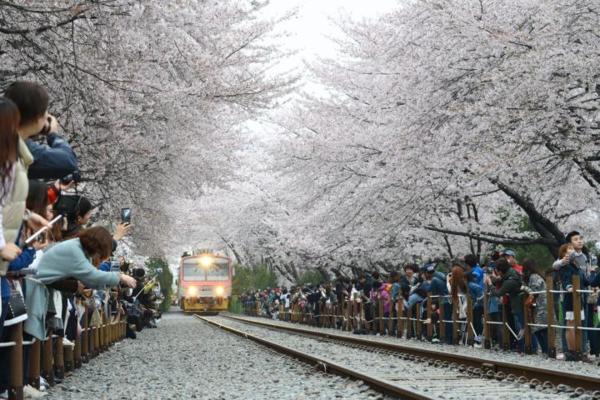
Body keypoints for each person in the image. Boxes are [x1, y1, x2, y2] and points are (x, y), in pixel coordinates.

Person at [24, 227, 136, 340]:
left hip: (39, 287)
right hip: (33, 289)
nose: (99, 257)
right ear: (96, 247)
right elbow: (92, 275)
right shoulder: (75, 251)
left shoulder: (77, 246)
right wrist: (120, 277)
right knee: (30, 337)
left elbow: (89, 279)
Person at [4, 81, 78, 180]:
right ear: (37, 118)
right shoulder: (20, 150)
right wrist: (53, 135)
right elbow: (68, 161)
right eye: (45, 112)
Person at [557, 243, 589, 361]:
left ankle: (577, 350)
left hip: (579, 297)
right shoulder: (565, 265)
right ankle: (571, 351)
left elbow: (585, 281)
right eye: (569, 249)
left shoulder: (576, 264)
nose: (572, 250)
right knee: (570, 325)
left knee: (578, 324)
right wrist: (569, 287)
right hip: (571, 298)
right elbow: (565, 280)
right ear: (564, 253)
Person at [484, 258, 524, 351]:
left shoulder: (509, 281)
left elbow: (498, 293)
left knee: (522, 327)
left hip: (517, 304)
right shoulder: (512, 272)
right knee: (521, 326)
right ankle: (521, 347)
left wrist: (490, 283)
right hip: (516, 303)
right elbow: (504, 278)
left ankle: (524, 348)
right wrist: (497, 279)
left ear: (500, 271)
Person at [521, 258, 548, 355]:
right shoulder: (536, 276)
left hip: (542, 306)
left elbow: (534, 292)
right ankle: (546, 350)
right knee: (540, 329)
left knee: (539, 329)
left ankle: (546, 350)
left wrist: (524, 287)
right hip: (542, 306)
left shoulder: (534, 277)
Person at [421, 264, 452, 344]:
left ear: (426, 273)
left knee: (447, 319)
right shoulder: (441, 274)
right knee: (448, 319)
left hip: (445, 300)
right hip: (449, 299)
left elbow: (427, 289)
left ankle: (448, 338)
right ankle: (448, 337)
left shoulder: (434, 279)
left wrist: (424, 281)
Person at [464, 270, 484, 346]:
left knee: (477, 323)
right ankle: (477, 340)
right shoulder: (469, 285)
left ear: (465, 279)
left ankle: (478, 340)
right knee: (476, 323)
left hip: (479, 306)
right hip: (478, 305)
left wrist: (478, 300)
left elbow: (478, 288)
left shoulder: (470, 285)